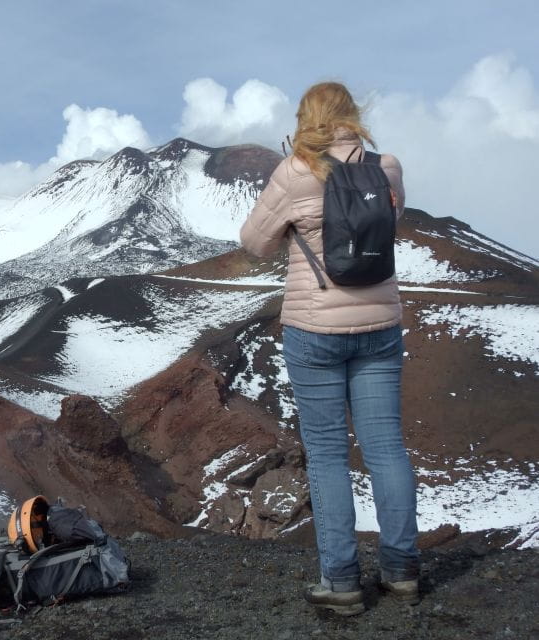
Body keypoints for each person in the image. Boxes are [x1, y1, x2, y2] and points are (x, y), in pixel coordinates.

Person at [239, 82, 419, 616]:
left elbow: (253, 240)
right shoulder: (386, 166)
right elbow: (392, 220)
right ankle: (402, 569)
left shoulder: (296, 172)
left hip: (314, 329)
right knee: (387, 448)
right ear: (352, 116)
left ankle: (341, 581)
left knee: (327, 455)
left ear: (305, 119)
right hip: (380, 322)